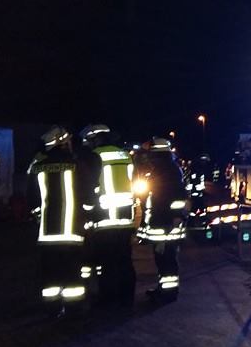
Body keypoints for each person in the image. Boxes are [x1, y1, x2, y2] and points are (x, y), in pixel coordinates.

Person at [27, 126, 90, 316]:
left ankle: (51, 308)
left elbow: (32, 199)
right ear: (62, 143)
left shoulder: (37, 166)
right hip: (73, 231)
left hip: (47, 233)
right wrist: (87, 218)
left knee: (50, 272)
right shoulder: (77, 165)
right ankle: (73, 309)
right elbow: (88, 196)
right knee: (72, 272)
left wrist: (39, 218)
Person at [79, 124, 136, 306]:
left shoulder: (94, 156)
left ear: (95, 139)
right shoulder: (125, 155)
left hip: (104, 220)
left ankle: (108, 300)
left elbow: (89, 188)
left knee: (107, 263)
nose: (88, 144)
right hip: (126, 218)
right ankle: (127, 298)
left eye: (89, 141)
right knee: (125, 260)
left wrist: (87, 213)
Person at [134, 137, 187, 301]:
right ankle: (163, 289)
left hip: (167, 225)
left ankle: (168, 293)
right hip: (162, 224)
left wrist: (175, 218)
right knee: (162, 259)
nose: (148, 157)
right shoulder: (162, 169)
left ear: (157, 154)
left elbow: (178, 198)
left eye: (151, 154)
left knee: (167, 260)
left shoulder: (169, 171)